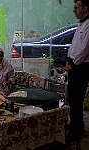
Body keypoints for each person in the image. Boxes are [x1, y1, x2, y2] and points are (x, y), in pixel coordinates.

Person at [62, 0, 89, 142]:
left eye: (76, 8)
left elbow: (84, 49)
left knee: (76, 101)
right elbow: (74, 45)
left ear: (85, 8)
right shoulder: (81, 24)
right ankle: (77, 127)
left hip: (81, 68)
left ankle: (75, 132)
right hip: (74, 66)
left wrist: (73, 64)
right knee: (73, 100)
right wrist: (68, 58)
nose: (74, 10)